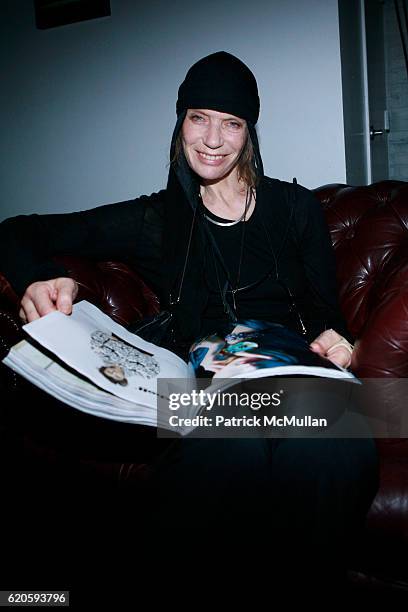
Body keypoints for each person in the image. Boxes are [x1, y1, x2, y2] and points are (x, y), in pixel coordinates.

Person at [0, 52, 378, 592]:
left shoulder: (294, 208)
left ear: (249, 133)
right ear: (180, 122)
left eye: (232, 123)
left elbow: (325, 311)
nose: (214, 138)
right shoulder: (158, 220)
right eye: (199, 117)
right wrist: (37, 277)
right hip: (203, 389)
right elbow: (18, 230)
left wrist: (335, 338)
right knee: (232, 445)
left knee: (334, 444)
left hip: (293, 372)